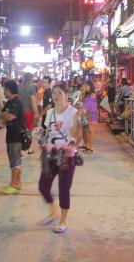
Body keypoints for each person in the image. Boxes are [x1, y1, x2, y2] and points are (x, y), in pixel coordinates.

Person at [38, 83, 81, 234]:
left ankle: (63, 220)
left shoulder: (73, 112)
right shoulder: (49, 112)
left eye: (60, 93)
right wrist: (42, 141)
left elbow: (75, 136)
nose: (56, 96)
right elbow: (46, 132)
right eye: (54, 93)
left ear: (66, 94)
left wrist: (78, 126)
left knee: (64, 188)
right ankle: (53, 212)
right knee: (43, 186)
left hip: (66, 155)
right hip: (50, 153)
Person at [0, 80, 26, 194]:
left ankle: (13, 184)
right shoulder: (9, 102)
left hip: (16, 135)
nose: (4, 91)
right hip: (10, 135)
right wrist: (5, 115)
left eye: (5, 89)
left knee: (15, 161)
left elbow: (10, 116)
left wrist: (5, 116)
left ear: (9, 90)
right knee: (14, 160)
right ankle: (18, 183)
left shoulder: (17, 102)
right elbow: (1, 114)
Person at [18, 72, 39, 154]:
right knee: (29, 129)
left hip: (19, 111)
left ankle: (19, 148)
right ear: (31, 79)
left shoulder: (19, 86)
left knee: (21, 129)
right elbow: (33, 102)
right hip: (28, 111)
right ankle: (29, 148)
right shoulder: (32, 87)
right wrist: (36, 113)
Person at [75, 82, 95, 153]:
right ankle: (86, 145)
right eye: (84, 85)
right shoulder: (85, 94)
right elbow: (79, 103)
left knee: (90, 131)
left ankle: (90, 147)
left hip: (90, 115)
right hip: (84, 115)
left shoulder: (92, 95)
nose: (85, 87)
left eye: (87, 86)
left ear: (90, 87)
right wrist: (82, 94)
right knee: (85, 131)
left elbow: (90, 107)